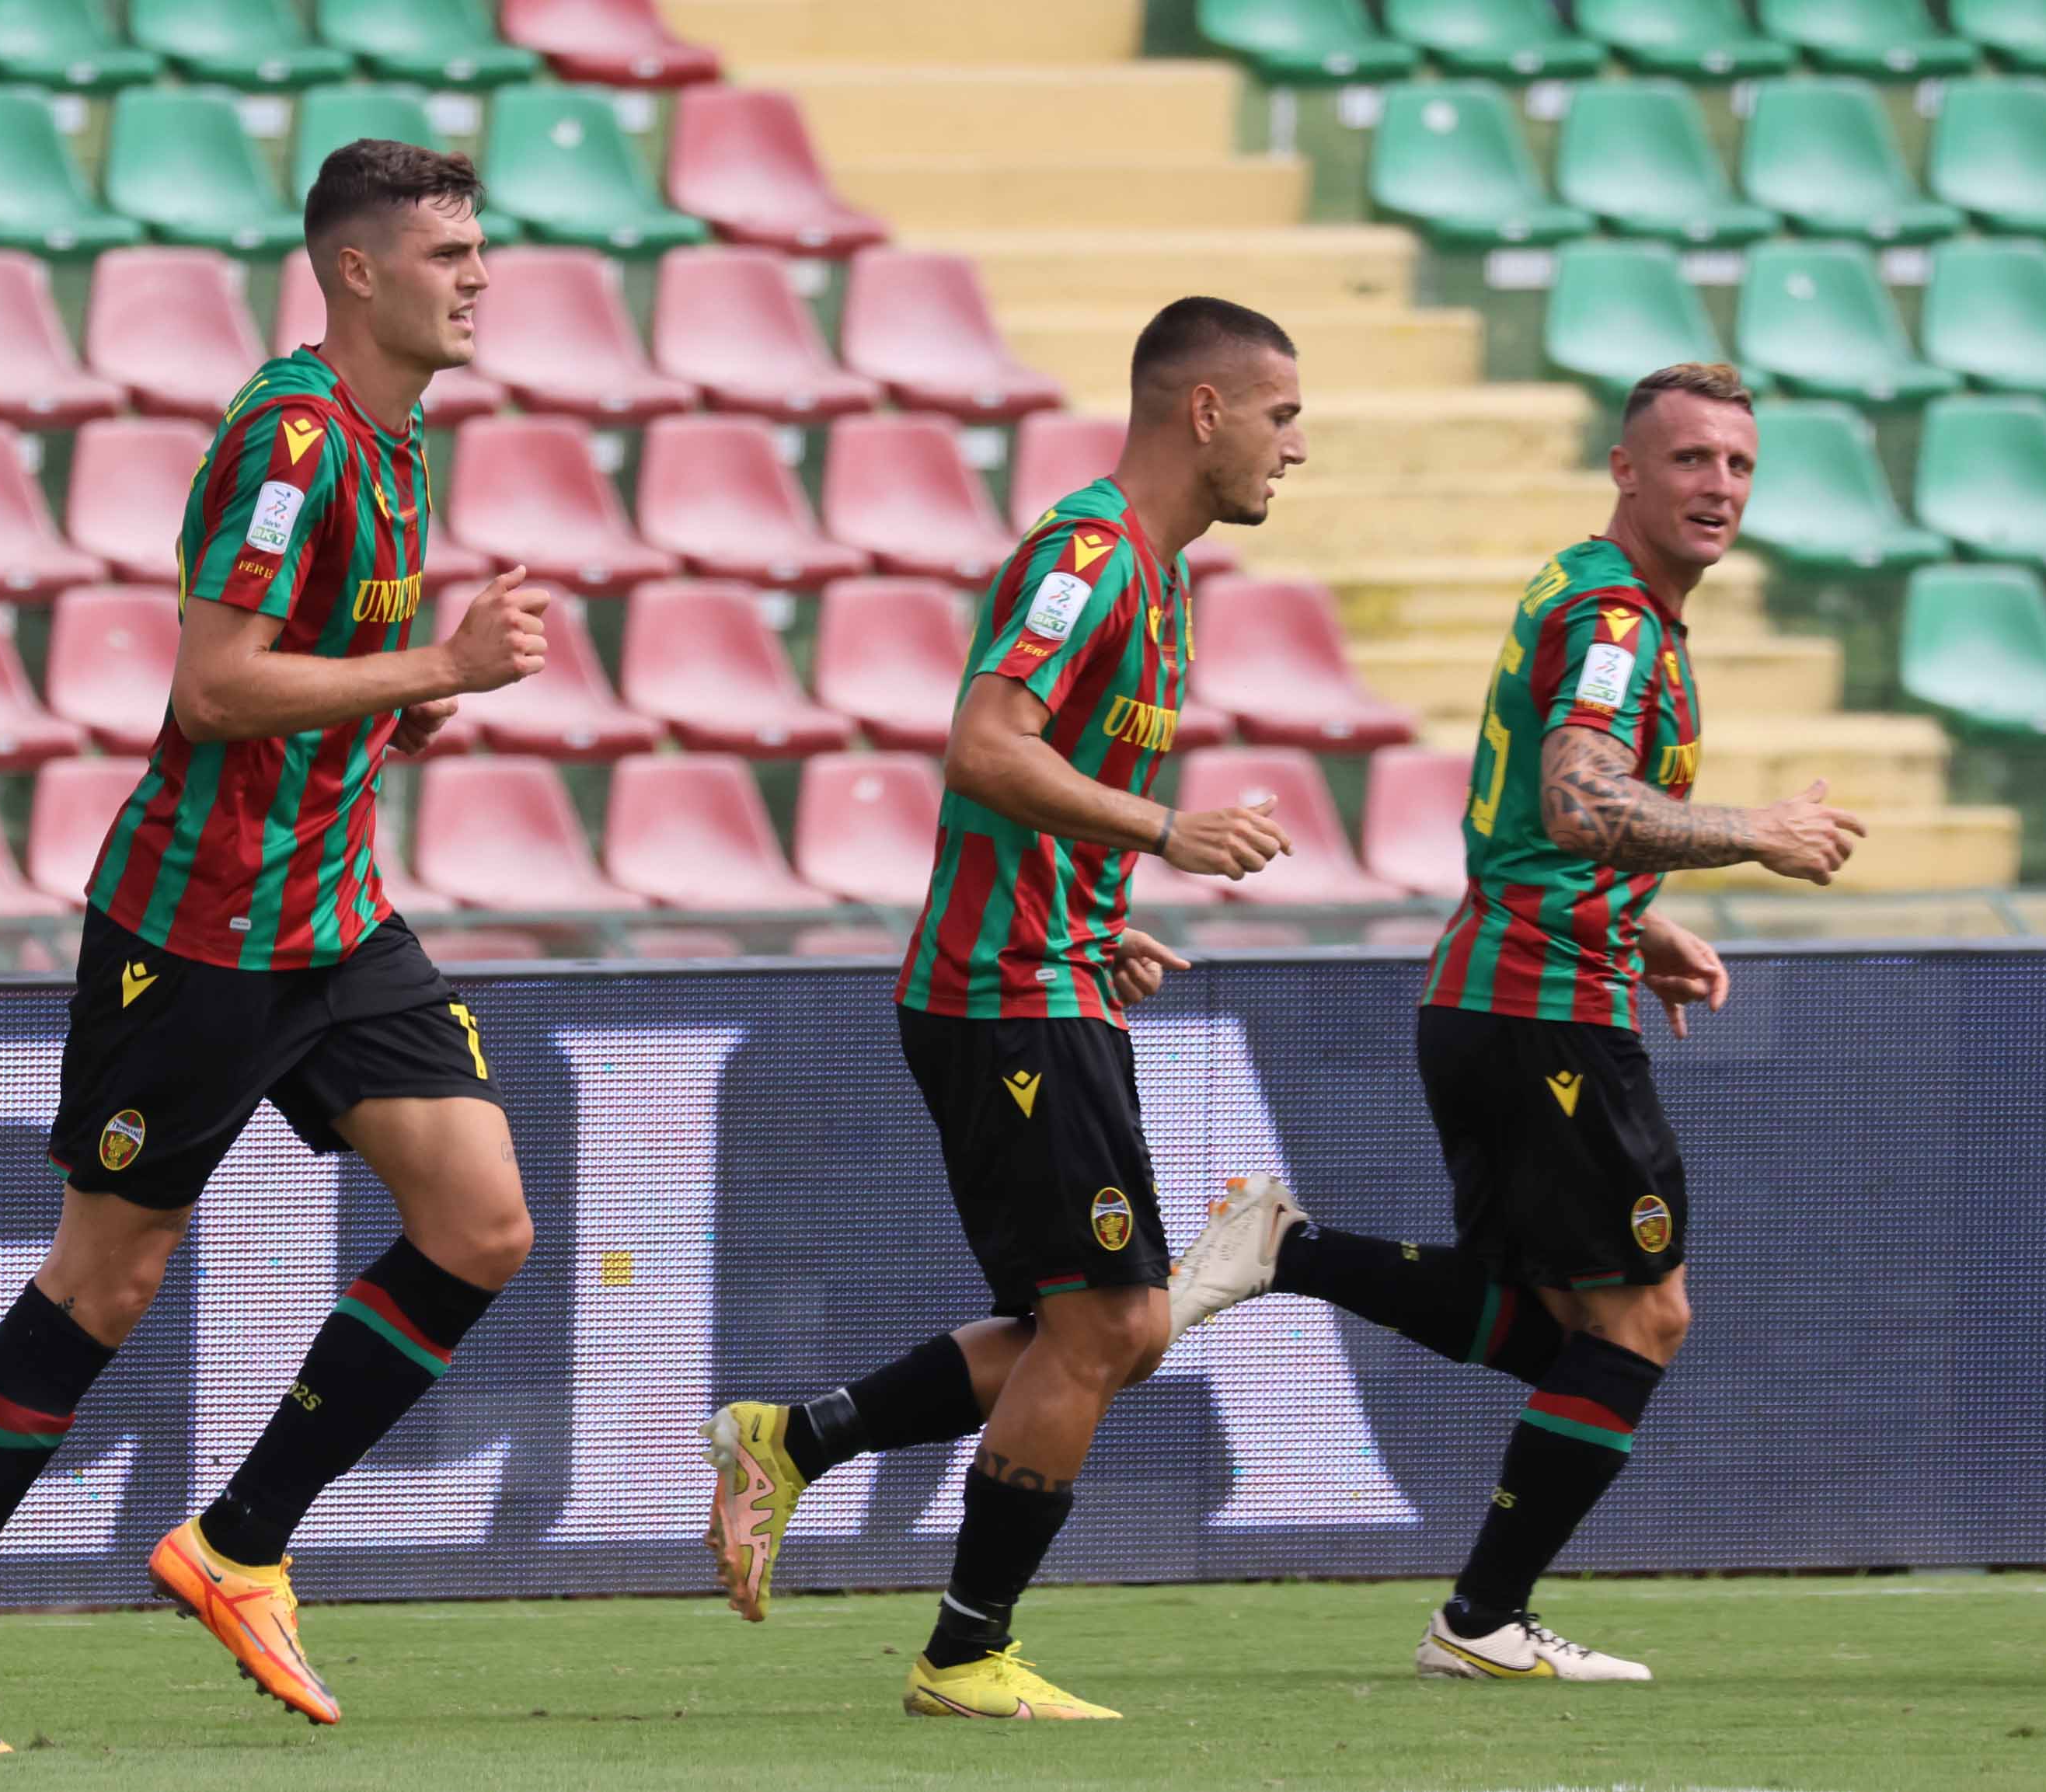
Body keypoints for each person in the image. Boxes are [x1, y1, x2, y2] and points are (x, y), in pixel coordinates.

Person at [0, 141, 552, 1751]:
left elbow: (308, 673)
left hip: (334, 913)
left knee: (480, 1223)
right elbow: (216, 685)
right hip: (203, 929)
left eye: (478, 248)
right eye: (446, 252)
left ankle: (237, 1543)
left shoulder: (394, 436)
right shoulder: (290, 438)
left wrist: (398, 704)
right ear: (356, 269)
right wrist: (434, 665)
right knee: (110, 1278)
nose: (478, 276)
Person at [1169, 361, 1866, 1681]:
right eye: (1691, 459)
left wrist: (1637, 922)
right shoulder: (1615, 619)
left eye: (1739, 465)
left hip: (1500, 989)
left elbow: (1539, 830)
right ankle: (1481, 1620)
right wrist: (1754, 833)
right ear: (1625, 470)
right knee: (1643, 1317)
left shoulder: (1589, 590)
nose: (1719, 485)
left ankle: (1288, 1251)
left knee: (1558, 1327)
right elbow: (1577, 798)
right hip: (1541, 1007)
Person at [701, 298, 1305, 1721]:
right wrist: (1163, 830)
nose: (1295, 447)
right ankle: (964, 1652)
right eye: (1281, 416)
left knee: (1112, 1329)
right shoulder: (1086, 558)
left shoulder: (1160, 579)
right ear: (1204, 411)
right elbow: (985, 743)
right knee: (1107, 1325)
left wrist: (1099, 912)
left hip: (1053, 971)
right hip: (1004, 993)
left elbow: (1037, 793)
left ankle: (796, 1439)